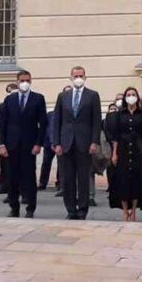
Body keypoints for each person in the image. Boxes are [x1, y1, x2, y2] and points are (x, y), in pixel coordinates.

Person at [53, 66, 102, 220]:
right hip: (66, 142)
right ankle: (70, 209)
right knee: (67, 179)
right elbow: (57, 120)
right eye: (75, 75)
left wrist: (94, 142)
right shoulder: (63, 96)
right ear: (71, 78)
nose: (78, 78)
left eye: (81, 75)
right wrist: (57, 143)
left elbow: (96, 121)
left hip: (84, 142)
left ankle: (82, 209)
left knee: (83, 178)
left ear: (85, 77)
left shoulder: (92, 96)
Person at [0, 71, 46, 218]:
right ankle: (14, 206)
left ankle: (30, 207)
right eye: (22, 80)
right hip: (12, 145)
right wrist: (2, 144)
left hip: (29, 145)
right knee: (12, 177)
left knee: (29, 177)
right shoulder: (10, 100)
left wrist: (38, 143)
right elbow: (3, 123)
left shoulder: (38, 98)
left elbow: (43, 124)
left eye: (27, 80)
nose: (25, 83)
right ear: (17, 82)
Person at [110, 87, 142, 221]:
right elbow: (115, 136)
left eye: (133, 94)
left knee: (136, 180)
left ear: (137, 97)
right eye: (128, 94)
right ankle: (124, 211)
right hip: (122, 149)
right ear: (125, 98)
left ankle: (133, 211)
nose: (131, 96)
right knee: (122, 180)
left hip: (137, 149)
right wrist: (114, 153)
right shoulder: (120, 114)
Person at [0, 83, 18, 196]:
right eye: (9, 92)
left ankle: (18, 190)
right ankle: (4, 186)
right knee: (4, 166)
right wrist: (1, 143)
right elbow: (0, 124)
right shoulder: (2, 106)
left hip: (18, 141)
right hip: (4, 140)